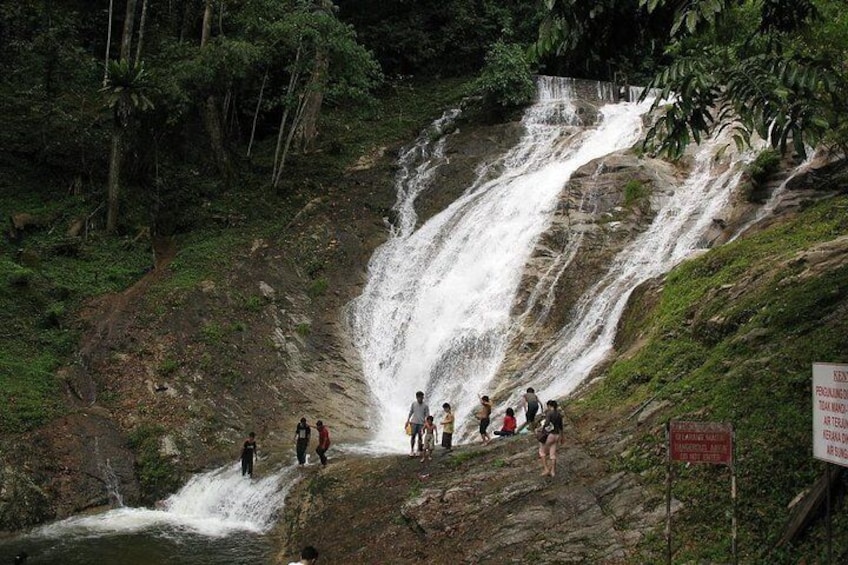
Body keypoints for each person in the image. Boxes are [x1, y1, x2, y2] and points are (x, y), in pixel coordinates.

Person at [539, 400, 564, 477]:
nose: (548, 408)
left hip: (550, 435)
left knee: (542, 452)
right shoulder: (559, 414)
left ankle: (546, 469)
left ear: (550, 406)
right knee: (552, 454)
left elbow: (546, 424)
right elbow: (561, 427)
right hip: (556, 435)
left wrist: (541, 430)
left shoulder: (549, 413)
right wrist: (562, 437)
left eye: (548, 406)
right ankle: (553, 471)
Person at [405, 391, 430, 457]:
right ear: (416, 397)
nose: (421, 399)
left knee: (420, 437)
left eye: (422, 397)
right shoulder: (413, 404)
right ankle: (412, 450)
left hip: (421, 424)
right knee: (413, 436)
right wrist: (407, 420)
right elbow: (411, 412)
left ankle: (419, 450)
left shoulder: (425, 406)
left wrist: (427, 424)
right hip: (413, 422)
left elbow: (427, 416)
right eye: (419, 397)